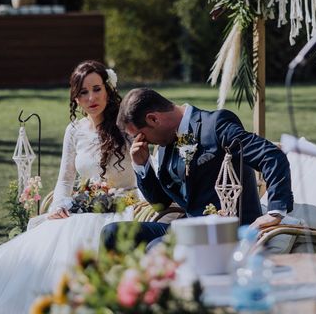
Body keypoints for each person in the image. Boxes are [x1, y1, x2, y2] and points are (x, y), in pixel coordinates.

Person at [0, 60, 137, 314]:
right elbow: (65, 179)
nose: (91, 98)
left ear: (108, 88)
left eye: (97, 89)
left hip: (123, 206)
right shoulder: (75, 130)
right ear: (75, 99)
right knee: (43, 245)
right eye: (83, 93)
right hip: (83, 207)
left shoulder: (127, 125)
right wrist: (58, 206)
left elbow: (145, 168)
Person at [101, 88, 293, 250]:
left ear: (153, 119)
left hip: (226, 230)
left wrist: (275, 212)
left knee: (158, 247)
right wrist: (142, 166)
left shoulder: (215, 125)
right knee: (111, 233)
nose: (141, 142)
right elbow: (161, 203)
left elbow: (271, 156)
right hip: (188, 227)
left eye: (141, 135)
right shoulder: (165, 144)